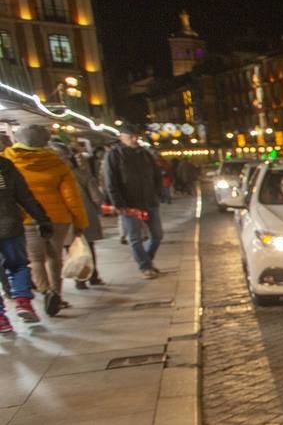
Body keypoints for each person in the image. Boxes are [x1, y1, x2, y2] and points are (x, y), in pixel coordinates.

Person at [5, 126, 88, 315]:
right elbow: (72, 197)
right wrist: (80, 222)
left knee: (35, 259)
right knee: (54, 257)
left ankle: (45, 292)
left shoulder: (9, 161)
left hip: (26, 218)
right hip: (57, 218)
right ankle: (56, 294)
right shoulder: (57, 163)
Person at [0, 148, 51, 331]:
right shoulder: (5, 166)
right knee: (18, 265)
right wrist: (42, 218)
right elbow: (24, 196)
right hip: (10, 225)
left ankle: (1, 319)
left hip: (10, 225)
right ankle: (22, 301)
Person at [104, 131, 164, 279]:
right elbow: (111, 181)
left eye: (136, 136)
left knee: (157, 235)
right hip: (129, 204)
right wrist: (118, 203)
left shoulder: (145, 154)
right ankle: (145, 267)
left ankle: (147, 260)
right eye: (130, 136)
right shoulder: (114, 155)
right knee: (135, 237)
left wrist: (157, 193)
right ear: (121, 138)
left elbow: (156, 175)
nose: (134, 139)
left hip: (149, 201)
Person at [51, 135, 106, 289]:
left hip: (62, 216)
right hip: (84, 213)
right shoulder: (80, 173)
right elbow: (95, 194)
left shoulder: (51, 175)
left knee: (71, 248)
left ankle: (79, 279)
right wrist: (99, 206)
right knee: (88, 246)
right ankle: (93, 276)